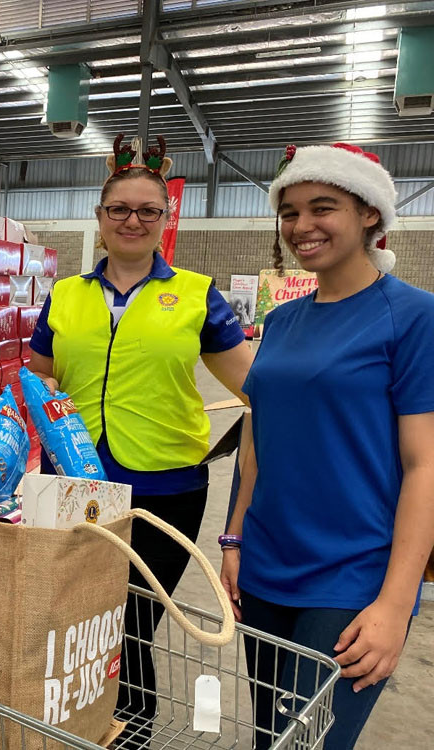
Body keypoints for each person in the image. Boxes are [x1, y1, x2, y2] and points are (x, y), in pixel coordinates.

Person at [28, 134, 253, 749]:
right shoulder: (65, 295)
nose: (132, 220)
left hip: (167, 487)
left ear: (164, 219)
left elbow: (259, 385)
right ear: (99, 219)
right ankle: (67, 726)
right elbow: (38, 379)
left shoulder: (199, 295)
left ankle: (129, 737)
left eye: (147, 211)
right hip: (71, 486)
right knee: (71, 619)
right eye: (118, 210)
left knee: (133, 624)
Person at [220, 143, 434, 749]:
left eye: (323, 207)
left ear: (370, 214)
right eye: (289, 212)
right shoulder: (284, 320)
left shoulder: (414, 318)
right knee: (271, 737)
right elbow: (258, 436)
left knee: (310, 744)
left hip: (351, 577)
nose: (301, 226)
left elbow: (426, 466)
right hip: (266, 567)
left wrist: (396, 604)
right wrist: (235, 536)